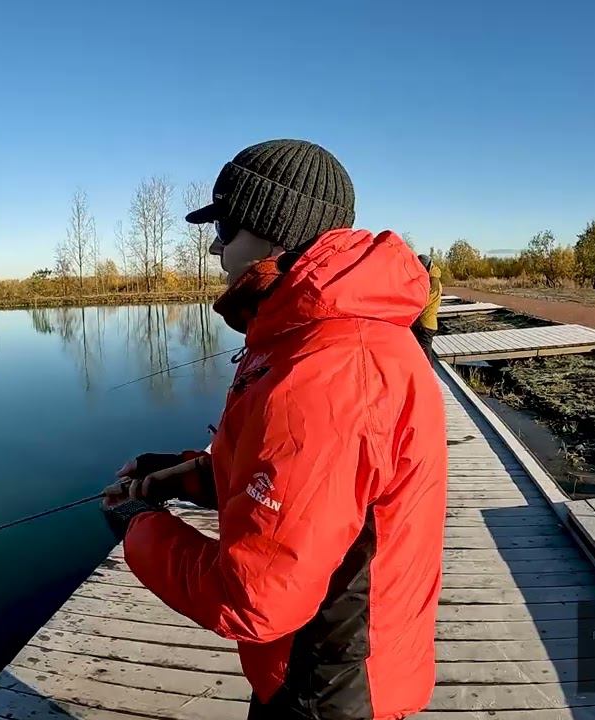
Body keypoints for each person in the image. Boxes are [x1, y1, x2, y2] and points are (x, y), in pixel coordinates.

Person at [102, 139, 448, 719]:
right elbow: (305, 486)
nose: (215, 247)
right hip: (318, 666)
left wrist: (138, 527)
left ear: (274, 232)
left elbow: (256, 598)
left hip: (331, 689)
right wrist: (185, 475)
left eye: (225, 228)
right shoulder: (319, 335)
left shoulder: (329, 368)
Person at [411, 254, 441, 363]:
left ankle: (429, 372)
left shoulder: (433, 282)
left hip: (426, 324)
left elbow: (425, 300)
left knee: (425, 355)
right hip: (424, 323)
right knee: (420, 352)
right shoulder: (430, 279)